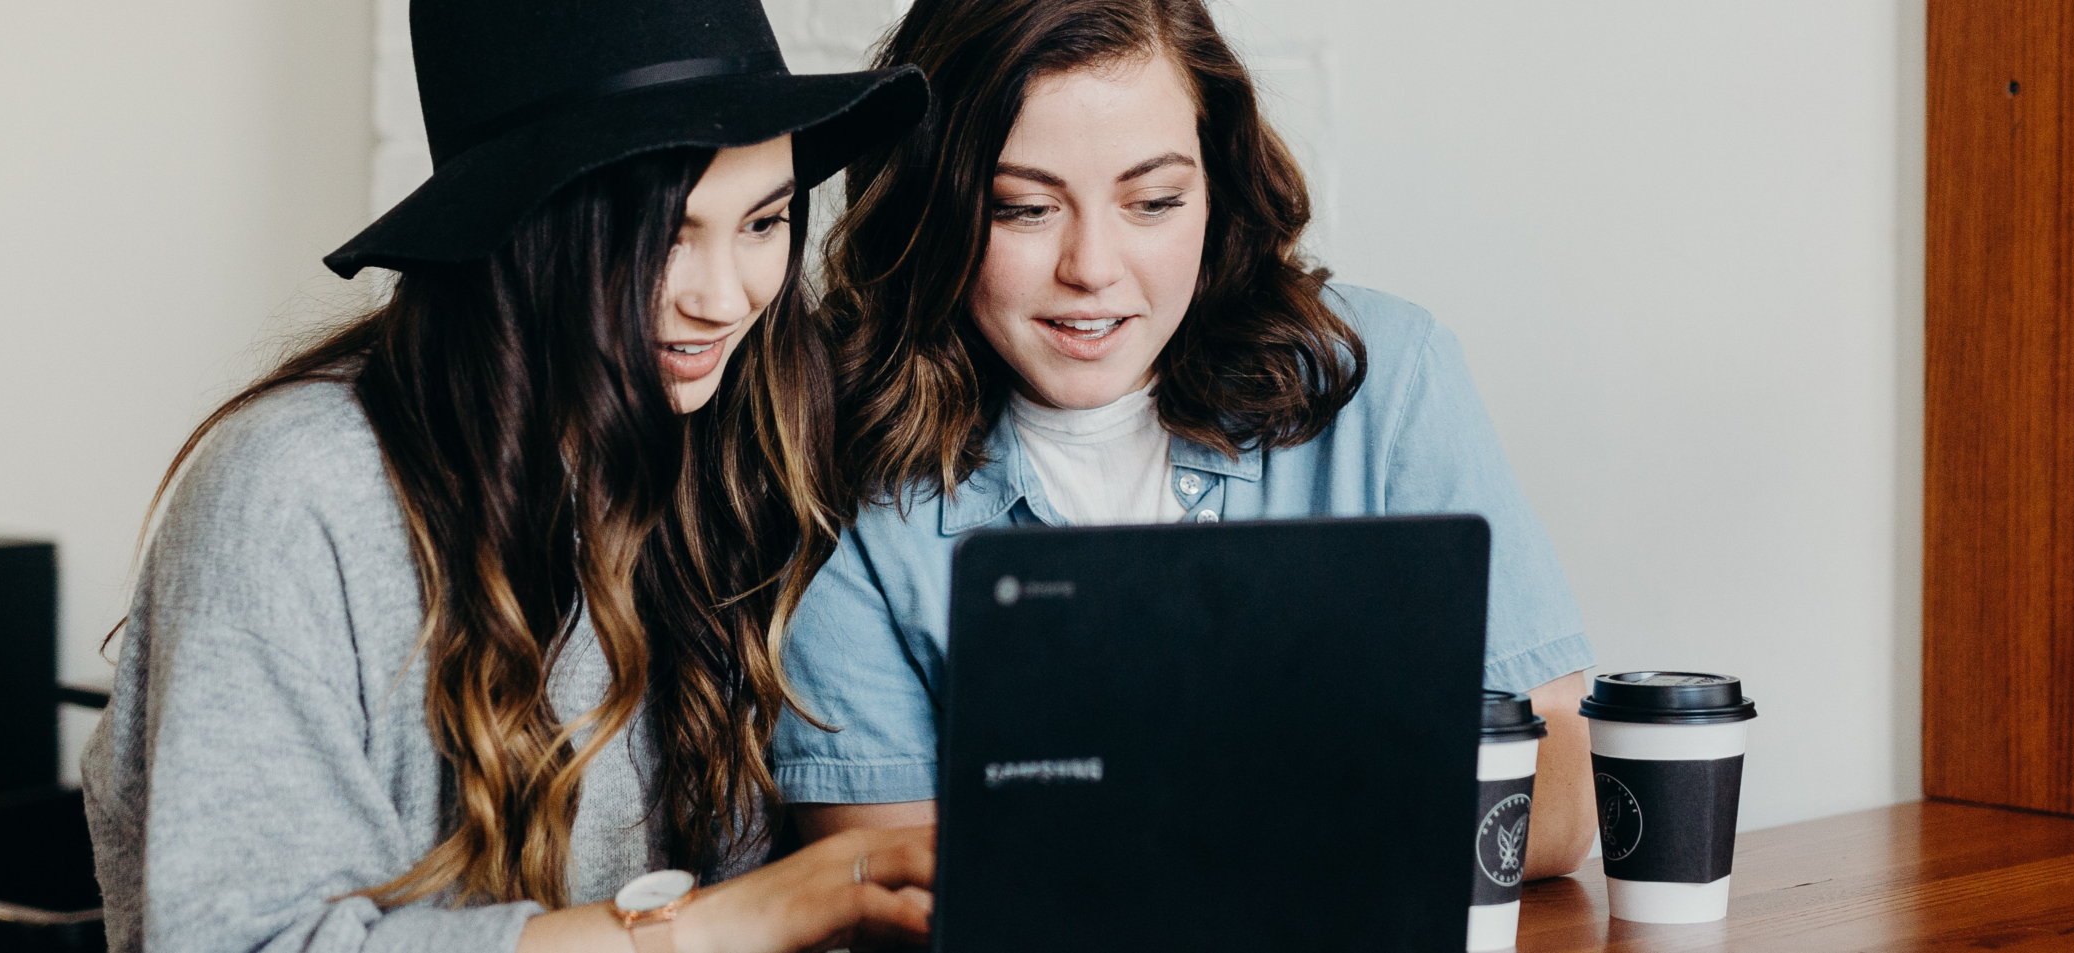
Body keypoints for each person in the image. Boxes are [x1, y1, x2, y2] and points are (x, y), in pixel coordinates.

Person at [79, 2, 938, 951]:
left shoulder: (734, 448)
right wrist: (740, 916)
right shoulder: (295, 490)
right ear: (521, 220)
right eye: (661, 233)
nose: (724, 297)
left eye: (764, 219)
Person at [776, 0, 1601, 880]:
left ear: (1217, 185)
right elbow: (887, 886)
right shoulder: (834, 453)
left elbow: (1548, 807)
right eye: (1022, 208)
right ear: (929, 205)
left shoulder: (1383, 378)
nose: (1091, 268)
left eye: (1153, 200)